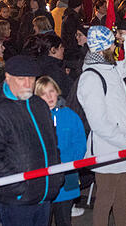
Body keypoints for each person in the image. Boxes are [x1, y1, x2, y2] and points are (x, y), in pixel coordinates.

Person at [0, 55, 64, 224]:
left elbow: (52, 142)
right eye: (21, 79)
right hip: (18, 199)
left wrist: (56, 176)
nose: (28, 84)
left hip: (45, 192)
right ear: (8, 78)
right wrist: (17, 186)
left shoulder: (39, 105)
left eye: (31, 79)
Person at [78, 26, 126, 226]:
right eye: (112, 43)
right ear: (103, 47)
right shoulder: (91, 78)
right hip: (109, 149)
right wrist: (125, 142)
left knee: (122, 197)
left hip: (120, 147)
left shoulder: (108, 68)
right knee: (106, 199)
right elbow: (98, 123)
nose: (115, 46)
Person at [36, 75, 87, 225]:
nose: (49, 96)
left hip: (66, 174)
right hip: (43, 178)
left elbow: (80, 143)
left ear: (57, 91)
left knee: (64, 219)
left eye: (51, 91)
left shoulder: (70, 116)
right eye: (43, 94)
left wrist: (68, 163)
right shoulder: (35, 118)